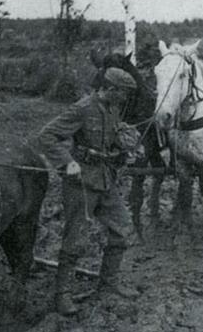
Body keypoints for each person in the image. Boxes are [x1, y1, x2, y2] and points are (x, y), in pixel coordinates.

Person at [37, 67, 140, 315]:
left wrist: (126, 148)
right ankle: (62, 295)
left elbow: (112, 137)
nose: (125, 98)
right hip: (80, 183)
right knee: (75, 239)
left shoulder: (113, 109)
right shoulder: (82, 108)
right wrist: (66, 162)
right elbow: (47, 135)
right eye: (123, 93)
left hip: (106, 179)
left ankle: (108, 284)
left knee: (123, 229)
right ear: (111, 89)